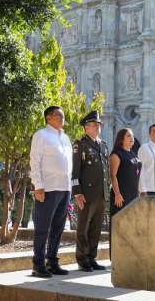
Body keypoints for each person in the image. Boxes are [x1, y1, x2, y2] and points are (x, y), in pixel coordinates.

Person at [30, 105, 73, 278]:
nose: (62, 118)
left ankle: (52, 261)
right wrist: (38, 185)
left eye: (62, 115)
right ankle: (38, 265)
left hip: (64, 188)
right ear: (48, 117)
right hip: (47, 188)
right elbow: (34, 160)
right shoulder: (41, 135)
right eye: (58, 115)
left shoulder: (66, 138)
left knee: (58, 228)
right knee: (42, 228)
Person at [71, 110, 110, 272]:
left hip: (101, 193)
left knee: (96, 228)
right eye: (93, 125)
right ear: (86, 128)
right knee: (83, 227)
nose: (97, 127)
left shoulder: (103, 145)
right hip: (86, 194)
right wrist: (77, 192)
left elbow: (105, 170)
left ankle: (91, 257)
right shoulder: (80, 144)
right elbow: (75, 171)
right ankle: (82, 259)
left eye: (98, 124)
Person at [109, 128, 141, 218]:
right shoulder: (116, 154)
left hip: (133, 195)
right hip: (121, 196)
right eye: (128, 136)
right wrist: (117, 194)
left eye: (132, 136)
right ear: (121, 139)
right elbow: (112, 175)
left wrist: (138, 191)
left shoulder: (133, 153)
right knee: (120, 225)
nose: (132, 138)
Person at [138, 123, 155, 196]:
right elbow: (141, 169)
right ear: (149, 134)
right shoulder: (144, 148)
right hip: (148, 190)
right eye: (154, 131)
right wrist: (143, 190)